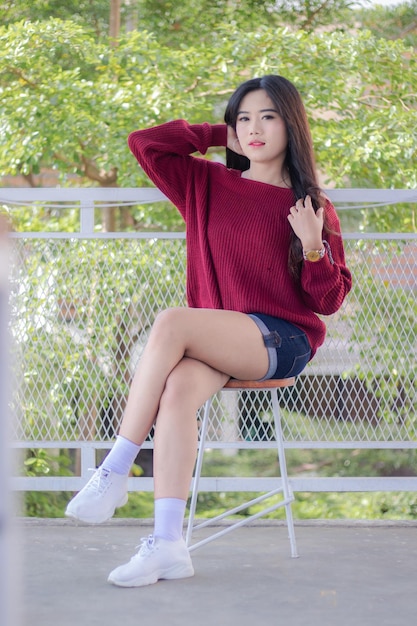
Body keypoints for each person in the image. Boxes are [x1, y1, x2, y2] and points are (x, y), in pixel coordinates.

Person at [65, 74, 352, 587]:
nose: (255, 128)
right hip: (219, 340)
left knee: (172, 319)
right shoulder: (207, 185)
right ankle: (169, 544)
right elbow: (144, 143)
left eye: (268, 116)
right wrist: (220, 134)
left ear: (292, 125)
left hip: (281, 340)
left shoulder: (312, 207)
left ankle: (113, 470)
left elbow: (327, 301)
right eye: (244, 118)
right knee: (175, 390)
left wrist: (312, 245)